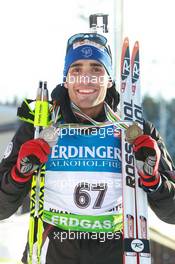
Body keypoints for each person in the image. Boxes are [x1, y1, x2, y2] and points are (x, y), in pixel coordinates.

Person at [0, 32, 175, 264]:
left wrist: (153, 181)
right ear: (66, 79)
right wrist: (19, 175)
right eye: (76, 70)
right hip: (53, 250)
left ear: (109, 79)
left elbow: (171, 214)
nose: (86, 79)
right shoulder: (38, 126)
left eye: (96, 69)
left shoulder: (136, 130)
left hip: (115, 252)